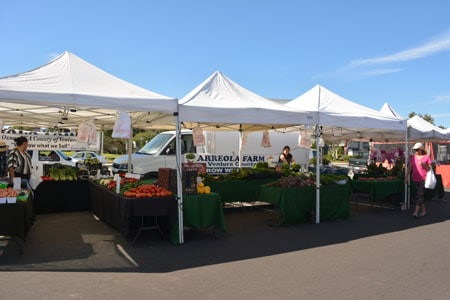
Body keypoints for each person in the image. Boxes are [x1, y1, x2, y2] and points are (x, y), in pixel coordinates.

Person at [406, 142, 432, 219]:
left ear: (421, 149)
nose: (416, 151)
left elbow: (429, 169)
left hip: (423, 179)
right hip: (415, 178)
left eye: (417, 150)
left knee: (419, 195)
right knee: (420, 195)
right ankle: (424, 210)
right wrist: (406, 176)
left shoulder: (427, 157)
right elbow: (410, 167)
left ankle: (416, 212)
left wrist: (424, 164)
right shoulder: (413, 157)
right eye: (415, 150)